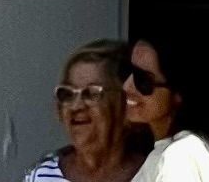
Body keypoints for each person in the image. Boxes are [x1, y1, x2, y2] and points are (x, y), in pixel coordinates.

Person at [125, 33, 209, 182]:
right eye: (127, 70)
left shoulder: (180, 157)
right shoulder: (174, 152)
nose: (127, 86)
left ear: (178, 92)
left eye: (142, 80)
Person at [24, 45, 136, 182]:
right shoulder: (41, 175)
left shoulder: (153, 173)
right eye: (68, 94)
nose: (75, 106)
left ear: (125, 102)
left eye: (91, 93)